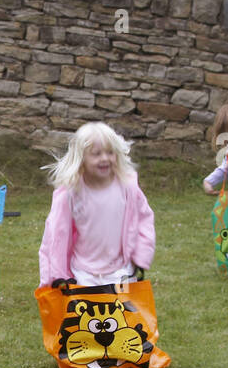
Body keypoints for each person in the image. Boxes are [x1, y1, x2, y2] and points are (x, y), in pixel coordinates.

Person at [39, 122, 155, 288]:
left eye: (110, 152)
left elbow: (144, 219)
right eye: (96, 154)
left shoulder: (128, 188)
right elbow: (56, 235)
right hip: (83, 273)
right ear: (81, 158)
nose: (105, 158)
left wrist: (141, 256)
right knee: (87, 314)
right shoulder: (70, 194)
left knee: (121, 314)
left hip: (121, 270)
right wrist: (57, 275)